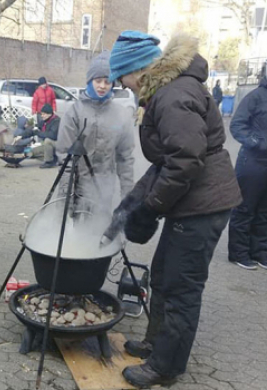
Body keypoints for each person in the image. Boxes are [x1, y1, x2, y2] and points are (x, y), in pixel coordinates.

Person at [106, 31, 242, 388]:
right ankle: (156, 345)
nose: (125, 85)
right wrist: (132, 202)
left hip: (203, 205)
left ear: (138, 70)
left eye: (123, 77)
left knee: (182, 287)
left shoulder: (172, 95)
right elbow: (168, 162)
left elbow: (185, 163)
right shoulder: (168, 91)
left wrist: (150, 209)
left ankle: (165, 367)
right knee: (163, 274)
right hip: (192, 202)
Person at [56, 50, 135, 211]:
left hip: (105, 190)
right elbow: (65, 160)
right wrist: (65, 199)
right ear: (90, 80)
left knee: (99, 229)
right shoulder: (75, 113)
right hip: (78, 188)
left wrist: (128, 196)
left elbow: (125, 159)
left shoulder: (121, 115)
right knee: (77, 231)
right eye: (98, 80)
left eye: (107, 81)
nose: (102, 86)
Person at [228, 75, 267, 270]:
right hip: (252, 162)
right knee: (244, 208)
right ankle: (238, 253)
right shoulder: (255, 97)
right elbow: (236, 125)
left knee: (264, 211)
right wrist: (256, 143)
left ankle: (260, 252)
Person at [20, 103, 60, 168]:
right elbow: (33, 129)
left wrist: (37, 133)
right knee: (30, 152)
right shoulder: (44, 121)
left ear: (49, 114)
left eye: (44, 114)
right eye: (41, 114)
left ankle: (49, 162)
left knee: (47, 140)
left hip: (58, 144)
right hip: (48, 146)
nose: (42, 116)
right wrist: (21, 136)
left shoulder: (56, 121)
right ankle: (54, 158)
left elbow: (52, 135)